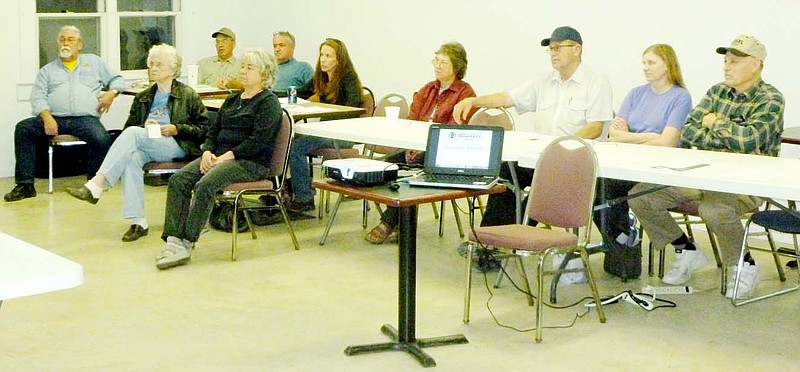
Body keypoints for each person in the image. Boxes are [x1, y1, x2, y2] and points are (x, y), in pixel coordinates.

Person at [628, 35, 784, 299]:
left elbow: (748, 140)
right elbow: (689, 133)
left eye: (734, 61)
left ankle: (744, 263)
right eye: (725, 61)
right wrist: (728, 136)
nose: (726, 67)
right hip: (703, 174)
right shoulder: (716, 92)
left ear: (755, 64)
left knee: (714, 209)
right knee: (640, 196)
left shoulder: (771, 99)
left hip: (746, 181)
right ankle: (685, 249)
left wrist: (713, 123)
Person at [452, 26, 613, 227]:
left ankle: (510, 237)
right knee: (505, 174)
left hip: (576, 163)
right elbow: (508, 97)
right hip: (541, 158)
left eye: (558, 48)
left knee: (541, 188)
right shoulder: (544, 81)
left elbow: (596, 127)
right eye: (551, 49)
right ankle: (491, 240)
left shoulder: (595, 81)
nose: (553, 53)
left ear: (577, 49)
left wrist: (559, 151)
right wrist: (474, 101)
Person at [65, 44, 209, 242]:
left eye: (159, 64)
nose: (153, 68)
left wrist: (176, 128)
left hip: (177, 145)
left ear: (174, 70)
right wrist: (145, 127)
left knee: (134, 134)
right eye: (151, 64)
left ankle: (98, 184)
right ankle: (138, 221)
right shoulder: (143, 97)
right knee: (132, 157)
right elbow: (129, 131)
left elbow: (204, 129)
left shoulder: (188, 95)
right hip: (149, 144)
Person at [155, 48, 281, 270]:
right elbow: (213, 131)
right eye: (242, 66)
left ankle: (187, 241)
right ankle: (173, 240)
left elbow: (257, 141)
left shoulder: (268, 103)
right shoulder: (233, 100)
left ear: (264, 73)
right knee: (179, 180)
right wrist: (206, 152)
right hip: (219, 157)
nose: (242, 71)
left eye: (249, 68)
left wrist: (225, 157)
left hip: (250, 162)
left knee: (205, 185)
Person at [365, 41, 477, 244]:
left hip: (444, 155)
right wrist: (411, 146)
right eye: (436, 60)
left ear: (456, 66)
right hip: (416, 148)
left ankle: (388, 222)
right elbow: (412, 121)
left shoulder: (466, 94)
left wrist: (421, 148)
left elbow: (451, 132)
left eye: (443, 62)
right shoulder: (428, 89)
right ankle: (400, 221)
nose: (437, 65)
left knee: (416, 173)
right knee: (384, 165)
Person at [592, 44, 692, 268]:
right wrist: (650, 135)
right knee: (595, 188)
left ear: (667, 66)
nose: (645, 68)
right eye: (644, 63)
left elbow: (667, 143)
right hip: (627, 163)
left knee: (610, 190)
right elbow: (614, 135)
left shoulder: (680, 97)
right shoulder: (636, 94)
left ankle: (625, 237)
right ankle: (621, 237)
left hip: (658, 168)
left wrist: (630, 135)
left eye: (651, 62)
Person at [4, 25, 125, 203]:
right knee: (23, 129)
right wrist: (47, 118)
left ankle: (93, 184)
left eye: (70, 39)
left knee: (101, 138)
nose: (65, 43)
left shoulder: (94, 63)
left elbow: (119, 80)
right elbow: (37, 97)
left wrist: (111, 93)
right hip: (54, 118)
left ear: (80, 44)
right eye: (62, 39)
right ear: (57, 44)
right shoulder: (47, 70)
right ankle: (25, 185)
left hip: (86, 119)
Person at [284, 38, 364, 213]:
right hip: (324, 132)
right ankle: (289, 189)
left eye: (328, 56)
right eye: (322, 55)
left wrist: (323, 106)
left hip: (343, 134)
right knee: (287, 140)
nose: (323, 59)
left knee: (296, 145)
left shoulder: (347, 78)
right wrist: (270, 93)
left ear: (339, 59)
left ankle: (304, 197)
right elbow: (299, 93)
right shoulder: (320, 78)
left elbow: (352, 109)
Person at [272, 31, 314, 96]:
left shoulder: (303, 68)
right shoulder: (268, 69)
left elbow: (316, 92)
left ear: (292, 47)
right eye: (275, 46)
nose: (277, 49)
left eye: (281, 45)